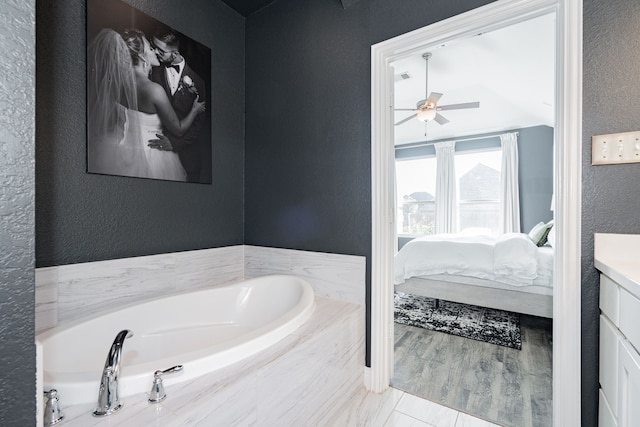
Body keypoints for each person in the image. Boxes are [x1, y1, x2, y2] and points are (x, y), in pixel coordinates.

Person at [87, 28, 205, 181]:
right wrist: (195, 109)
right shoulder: (154, 90)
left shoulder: (119, 84)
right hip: (153, 154)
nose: (155, 52)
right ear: (142, 56)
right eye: (151, 48)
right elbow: (179, 129)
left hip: (122, 150)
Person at [149, 28, 207, 182]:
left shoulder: (198, 81)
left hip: (188, 158)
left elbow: (199, 124)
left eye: (160, 50)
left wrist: (174, 143)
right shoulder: (152, 71)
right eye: (153, 47)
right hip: (156, 155)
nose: (155, 52)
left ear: (175, 54)